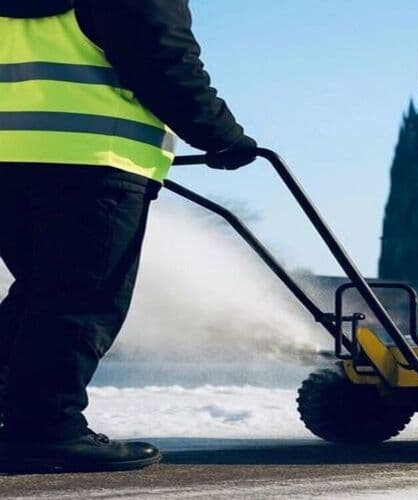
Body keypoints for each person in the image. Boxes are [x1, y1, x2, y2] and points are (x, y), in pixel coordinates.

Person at [0, 0, 257, 473]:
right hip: (94, 158)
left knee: (39, 293)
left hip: (9, 160)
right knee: (80, 297)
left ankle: (19, 419)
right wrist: (222, 135)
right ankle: (46, 429)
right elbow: (162, 57)